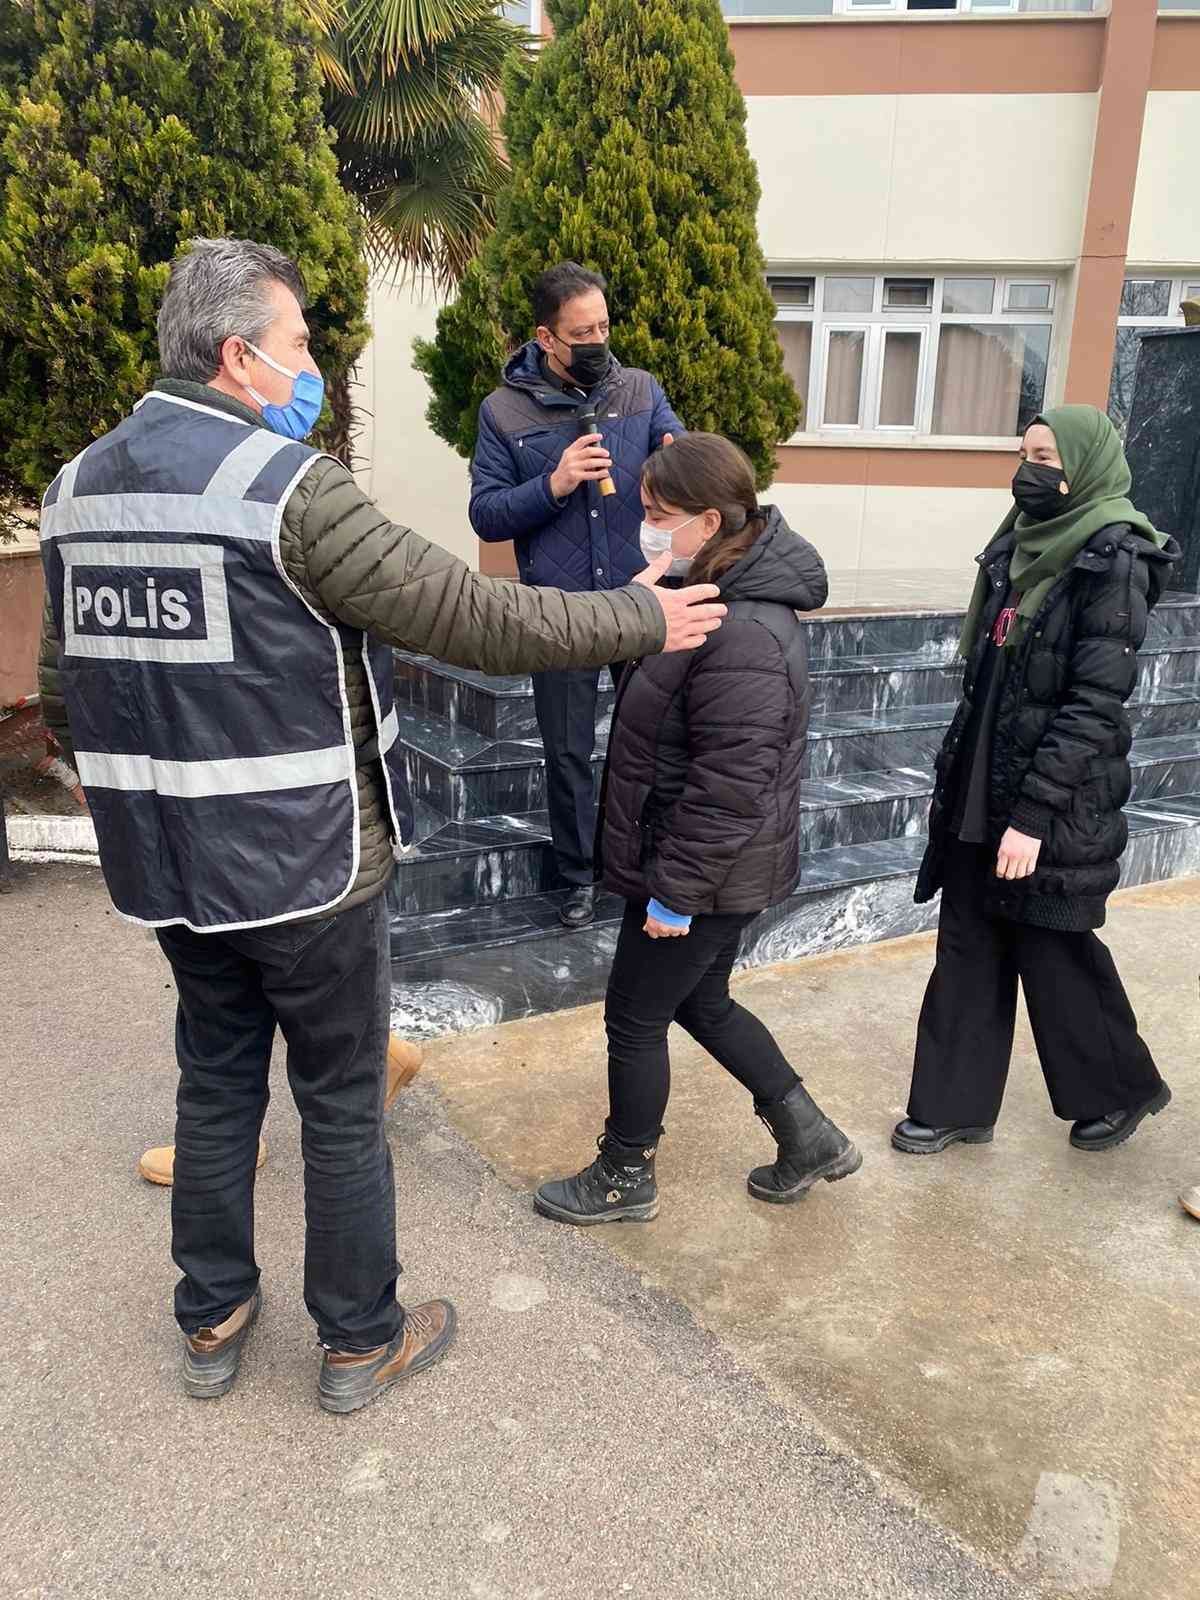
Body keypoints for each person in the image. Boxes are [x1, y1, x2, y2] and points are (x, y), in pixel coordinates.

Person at [37, 237, 725, 1412]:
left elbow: (68, 683)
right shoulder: (285, 488)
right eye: (301, 346)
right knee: (341, 1101)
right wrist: (633, 619)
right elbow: (464, 611)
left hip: (168, 867)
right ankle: (359, 1339)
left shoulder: (74, 490)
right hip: (308, 867)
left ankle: (210, 1316)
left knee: (214, 1082)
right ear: (241, 357)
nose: (314, 368)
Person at [533, 433, 861, 1225]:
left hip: (703, 867)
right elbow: (657, 707)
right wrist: (637, 614)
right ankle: (809, 1136)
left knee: (635, 1017)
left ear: (709, 522)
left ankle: (624, 1173)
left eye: (659, 514)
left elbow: (730, 784)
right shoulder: (702, 595)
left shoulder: (745, 628)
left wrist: (675, 893)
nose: (647, 524)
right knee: (702, 1002)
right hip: (701, 861)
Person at [894, 406, 1179, 1158]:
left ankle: (1121, 1089)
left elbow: (1093, 705)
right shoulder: (1014, 544)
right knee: (966, 938)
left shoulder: (1114, 558)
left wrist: (1032, 816)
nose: (1031, 470)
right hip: (983, 774)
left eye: (1047, 455)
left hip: (1051, 795)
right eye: (1025, 453)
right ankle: (954, 1105)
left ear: (1082, 465)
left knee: (1053, 947)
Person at [469, 262, 683, 931]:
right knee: (565, 752)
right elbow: (487, 515)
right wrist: (554, 483)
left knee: (650, 740)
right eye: (581, 332)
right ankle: (575, 878)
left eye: (603, 327)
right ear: (547, 337)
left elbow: (681, 456)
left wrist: (676, 462)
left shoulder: (640, 391)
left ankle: (643, 867)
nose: (597, 341)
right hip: (558, 613)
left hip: (641, 598)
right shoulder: (504, 411)